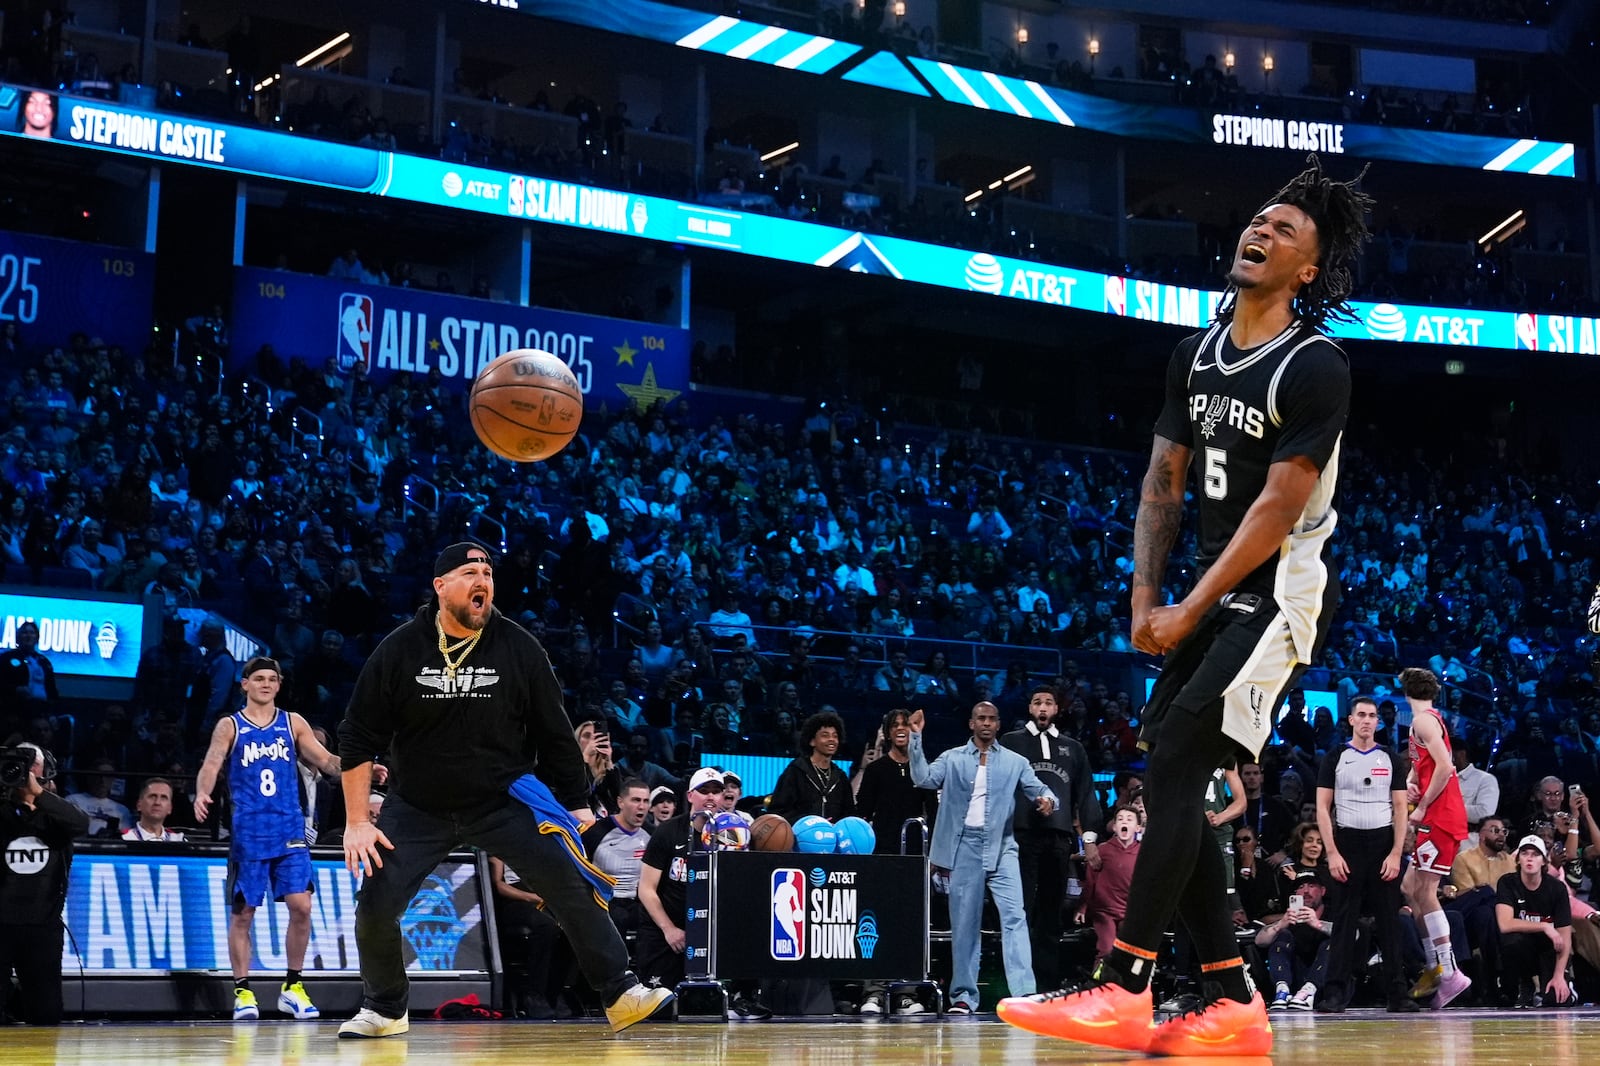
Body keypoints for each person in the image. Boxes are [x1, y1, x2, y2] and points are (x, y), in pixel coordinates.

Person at [1000, 157, 1371, 1056]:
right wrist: (1144, 601)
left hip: (1274, 600)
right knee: (1171, 778)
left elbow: (1277, 507)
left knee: (1173, 763)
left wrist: (1191, 605)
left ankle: (1125, 985)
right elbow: (1162, 489)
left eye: (1286, 231)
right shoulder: (1194, 355)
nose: (1261, 232)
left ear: (1308, 270)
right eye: (1259, 220)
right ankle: (1234, 1001)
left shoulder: (1315, 365)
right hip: (1208, 601)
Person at [335, 543, 672, 1038]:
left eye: (488, 573)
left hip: (502, 797)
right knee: (376, 906)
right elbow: (357, 737)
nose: (484, 581)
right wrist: (358, 821)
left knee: (569, 882)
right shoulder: (401, 648)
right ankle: (386, 1008)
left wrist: (577, 803)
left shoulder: (517, 646)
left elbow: (553, 731)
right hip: (418, 804)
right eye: (470, 572)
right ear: (440, 586)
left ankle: (621, 994)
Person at [195, 657, 342, 1022]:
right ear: (244, 684)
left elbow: (325, 761)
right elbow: (212, 763)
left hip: (289, 829)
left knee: (302, 906)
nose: (265, 684)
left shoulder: (293, 723)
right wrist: (202, 793)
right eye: (258, 678)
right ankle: (243, 991)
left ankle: (292, 987)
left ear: (279, 685)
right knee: (244, 913)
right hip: (249, 833)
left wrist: (361, 770)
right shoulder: (230, 725)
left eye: (272, 679)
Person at [909, 702, 1057, 1014]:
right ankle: (963, 996)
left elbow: (1040, 788)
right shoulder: (952, 758)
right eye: (981, 718)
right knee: (964, 924)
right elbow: (924, 779)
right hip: (964, 847)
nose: (986, 723)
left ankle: (1025, 994)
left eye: (991, 719)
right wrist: (915, 738)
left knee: (1015, 918)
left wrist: (1047, 800)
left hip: (1003, 848)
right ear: (971, 723)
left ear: (998, 724)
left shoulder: (1015, 762)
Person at [1314, 695, 1415, 1012]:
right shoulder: (1336, 756)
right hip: (1347, 843)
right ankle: (1334, 993)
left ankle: (1398, 994)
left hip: (1384, 844)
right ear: (1352, 720)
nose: (1368, 720)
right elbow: (1322, 807)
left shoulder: (1389, 758)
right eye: (1362, 714)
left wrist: (1396, 853)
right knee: (1344, 921)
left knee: (1389, 921)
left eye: (1373, 715)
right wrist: (1331, 852)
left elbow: (1401, 808)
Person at [1000, 683, 1101, 990]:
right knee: (1021, 912)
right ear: (1029, 708)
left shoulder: (1073, 748)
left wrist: (1091, 838)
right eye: (1037, 702)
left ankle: (1047, 985)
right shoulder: (1011, 742)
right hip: (1021, 837)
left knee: (1050, 914)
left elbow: (1085, 794)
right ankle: (1018, 985)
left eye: (1048, 703)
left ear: (1057, 709)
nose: (1042, 708)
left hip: (1059, 839)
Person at [854, 709, 939, 1016]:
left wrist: (934, 859)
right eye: (896, 726)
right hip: (883, 858)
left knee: (910, 927)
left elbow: (936, 816)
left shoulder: (925, 771)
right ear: (887, 733)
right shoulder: (877, 770)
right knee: (875, 924)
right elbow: (861, 813)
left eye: (907, 725)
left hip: (916, 861)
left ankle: (905, 992)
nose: (901, 730)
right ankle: (874, 993)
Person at [1399, 666, 1471, 1007]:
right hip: (1439, 812)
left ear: (1404, 691)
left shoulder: (1423, 721)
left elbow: (1446, 766)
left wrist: (1423, 806)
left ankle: (1449, 969)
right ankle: (1435, 966)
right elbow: (1427, 763)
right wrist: (1414, 778)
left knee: (1426, 891)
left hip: (1440, 815)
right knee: (1409, 888)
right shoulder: (1429, 719)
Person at [0, 744, 87, 1024]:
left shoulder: (56, 814)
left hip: (43, 925)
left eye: (30, 763)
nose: (24, 770)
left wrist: (37, 793)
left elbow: (80, 823)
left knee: (46, 1013)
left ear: (45, 771)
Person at [1495, 835, 1572, 1008]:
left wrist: (1559, 976)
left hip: (1548, 950)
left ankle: (1567, 982)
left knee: (1556, 1001)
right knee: (1511, 941)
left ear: (1544, 861)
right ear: (1518, 859)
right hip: (1523, 948)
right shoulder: (1507, 883)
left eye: (1535, 854)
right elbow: (1505, 924)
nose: (1530, 858)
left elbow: (1565, 936)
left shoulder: (1557, 888)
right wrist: (1544, 926)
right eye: (1525, 853)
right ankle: (1522, 983)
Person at [581, 778, 653, 945]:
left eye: (645, 801)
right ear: (621, 802)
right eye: (636, 800)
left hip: (637, 901)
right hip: (603, 902)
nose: (641, 806)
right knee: (617, 919)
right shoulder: (596, 833)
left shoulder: (652, 834)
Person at [1257, 869, 1331, 1010]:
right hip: (1295, 976)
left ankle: (1308, 992)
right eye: (1301, 887)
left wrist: (1318, 924)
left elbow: (1355, 935)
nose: (1306, 891)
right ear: (1295, 894)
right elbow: (1260, 941)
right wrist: (1280, 925)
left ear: (1322, 891)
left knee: (1333, 942)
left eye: (1311, 886)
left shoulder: (1333, 912)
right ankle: (1282, 991)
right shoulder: (1290, 917)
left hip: (1325, 981)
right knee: (1282, 935)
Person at [770, 710, 855, 822]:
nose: (832, 740)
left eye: (835, 736)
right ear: (812, 741)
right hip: (801, 836)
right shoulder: (795, 772)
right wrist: (813, 823)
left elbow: (848, 814)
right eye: (825, 735)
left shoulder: (840, 777)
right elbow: (778, 812)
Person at [122, 777, 185, 842]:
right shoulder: (124, 838)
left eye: (163, 798)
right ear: (139, 805)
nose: (157, 802)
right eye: (152, 796)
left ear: (170, 808)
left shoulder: (179, 841)